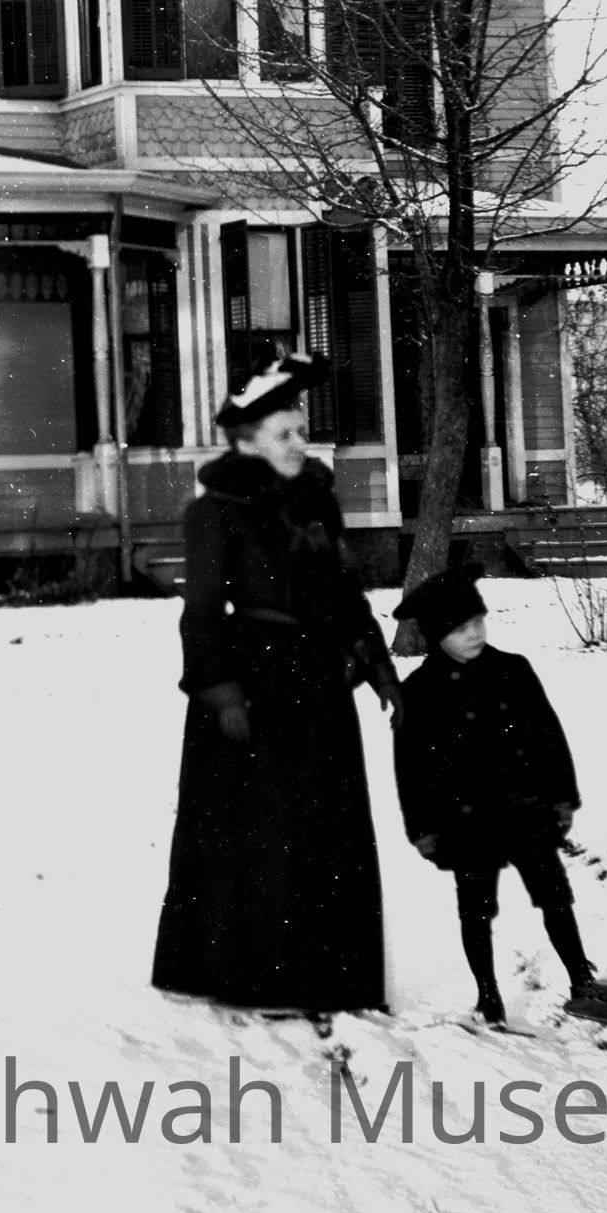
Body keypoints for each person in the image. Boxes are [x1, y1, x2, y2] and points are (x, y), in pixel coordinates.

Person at [150, 352, 404, 1015]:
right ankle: (259, 981)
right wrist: (222, 694)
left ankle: (330, 979)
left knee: (328, 830)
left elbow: (344, 591)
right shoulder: (216, 510)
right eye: (284, 433)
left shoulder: (317, 501)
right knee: (264, 834)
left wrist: (379, 666)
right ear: (247, 442)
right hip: (255, 686)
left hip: (320, 685)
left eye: (301, 431)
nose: (299, 443)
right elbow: (202, 612)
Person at [391, 563, 599, 1024]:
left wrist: (561, 796)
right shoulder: (418, 692)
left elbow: (549, 735)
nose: (474, 633)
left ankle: (581, 977)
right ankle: (488, 995)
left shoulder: (513, 670)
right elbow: (410, 769)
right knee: (476, 909)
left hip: (526, 811)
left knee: (554, 896)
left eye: (478, 621)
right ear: (435, 635)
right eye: (460, 628)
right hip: (464, 823)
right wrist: (422, 827)